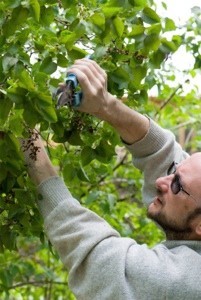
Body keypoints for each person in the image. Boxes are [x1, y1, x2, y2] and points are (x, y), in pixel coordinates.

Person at [23, 59, 201, 299]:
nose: (163, 181)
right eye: (175, 171)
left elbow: (101, 261)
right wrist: (105, 105)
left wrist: (27, 140)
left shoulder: (182, 283)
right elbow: (163, 156)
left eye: (177, 185)